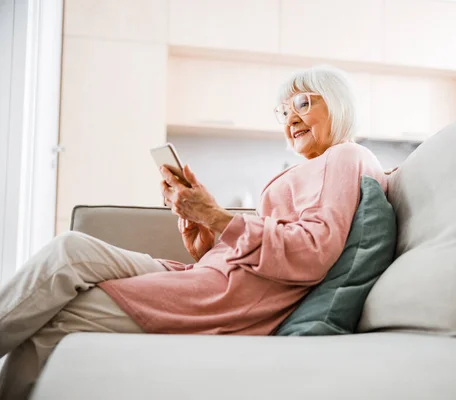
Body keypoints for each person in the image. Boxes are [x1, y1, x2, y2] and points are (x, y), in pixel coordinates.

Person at [0, 65, 387, 399]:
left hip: (225, 300)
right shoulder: (316, 165)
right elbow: (267, 249)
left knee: (59, 321)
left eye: (303, 103)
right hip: (210, 278)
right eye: (283, 110)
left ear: (338, 103)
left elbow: (312, 253)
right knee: (71, 250)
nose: (291, 117)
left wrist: (220, 219)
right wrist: (209, 244)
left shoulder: (346, 156)